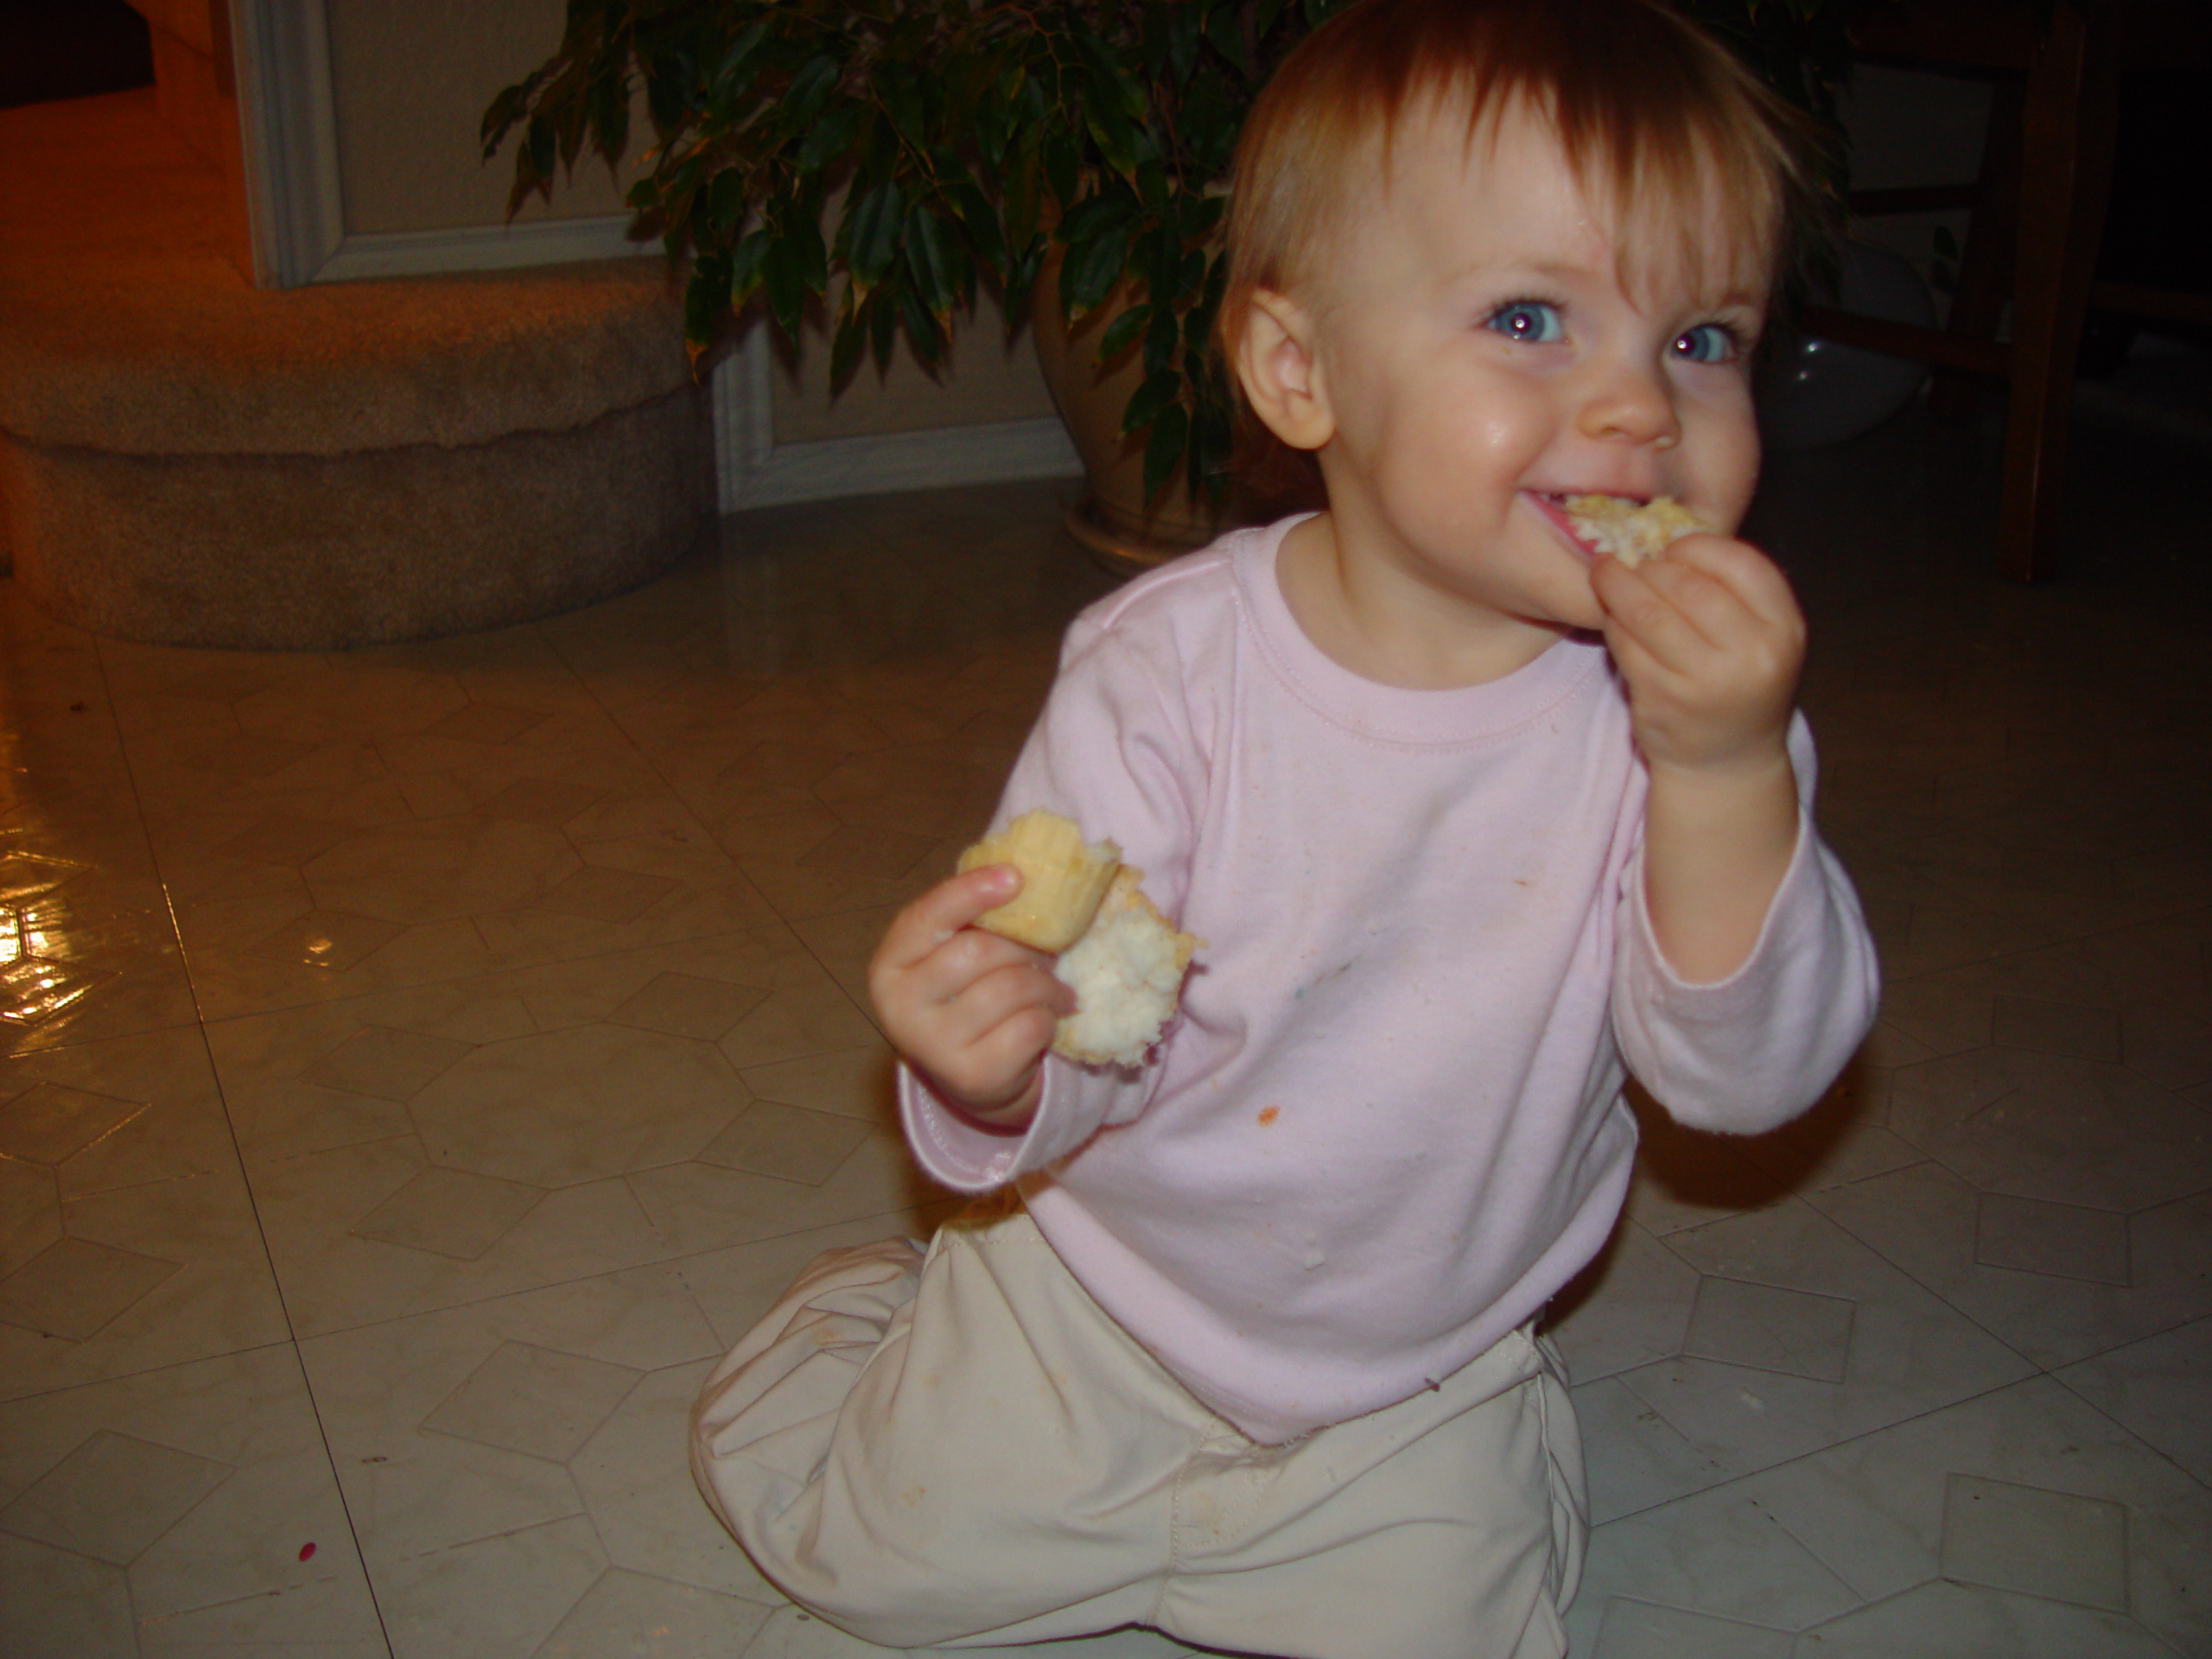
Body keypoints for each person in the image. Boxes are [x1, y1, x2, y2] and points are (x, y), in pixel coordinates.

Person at [690, 1, 1878, 1653]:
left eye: (1702, 340)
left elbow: (1740, 1084)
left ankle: (1485, 1456)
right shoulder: (1168, 673)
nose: (1639, 410)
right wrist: (992, 1067)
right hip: (1099, 1295)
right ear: (1299, 370)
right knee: (869, 1564)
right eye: (1532, 315)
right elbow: (1085, 1011)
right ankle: (865, 1330)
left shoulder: (1687, 725)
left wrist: (1733, 776)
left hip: (1419, 1360)